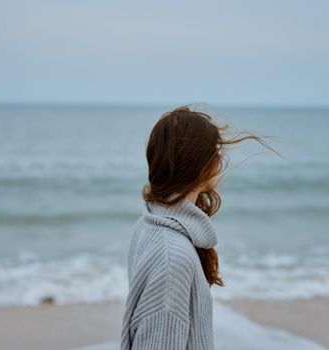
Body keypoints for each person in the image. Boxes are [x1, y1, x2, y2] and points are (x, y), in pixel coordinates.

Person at [120, 105, 280, 350]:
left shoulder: (147, 223)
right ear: (198, 163)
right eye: (215, 151)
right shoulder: (172, 256)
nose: (220, 159)